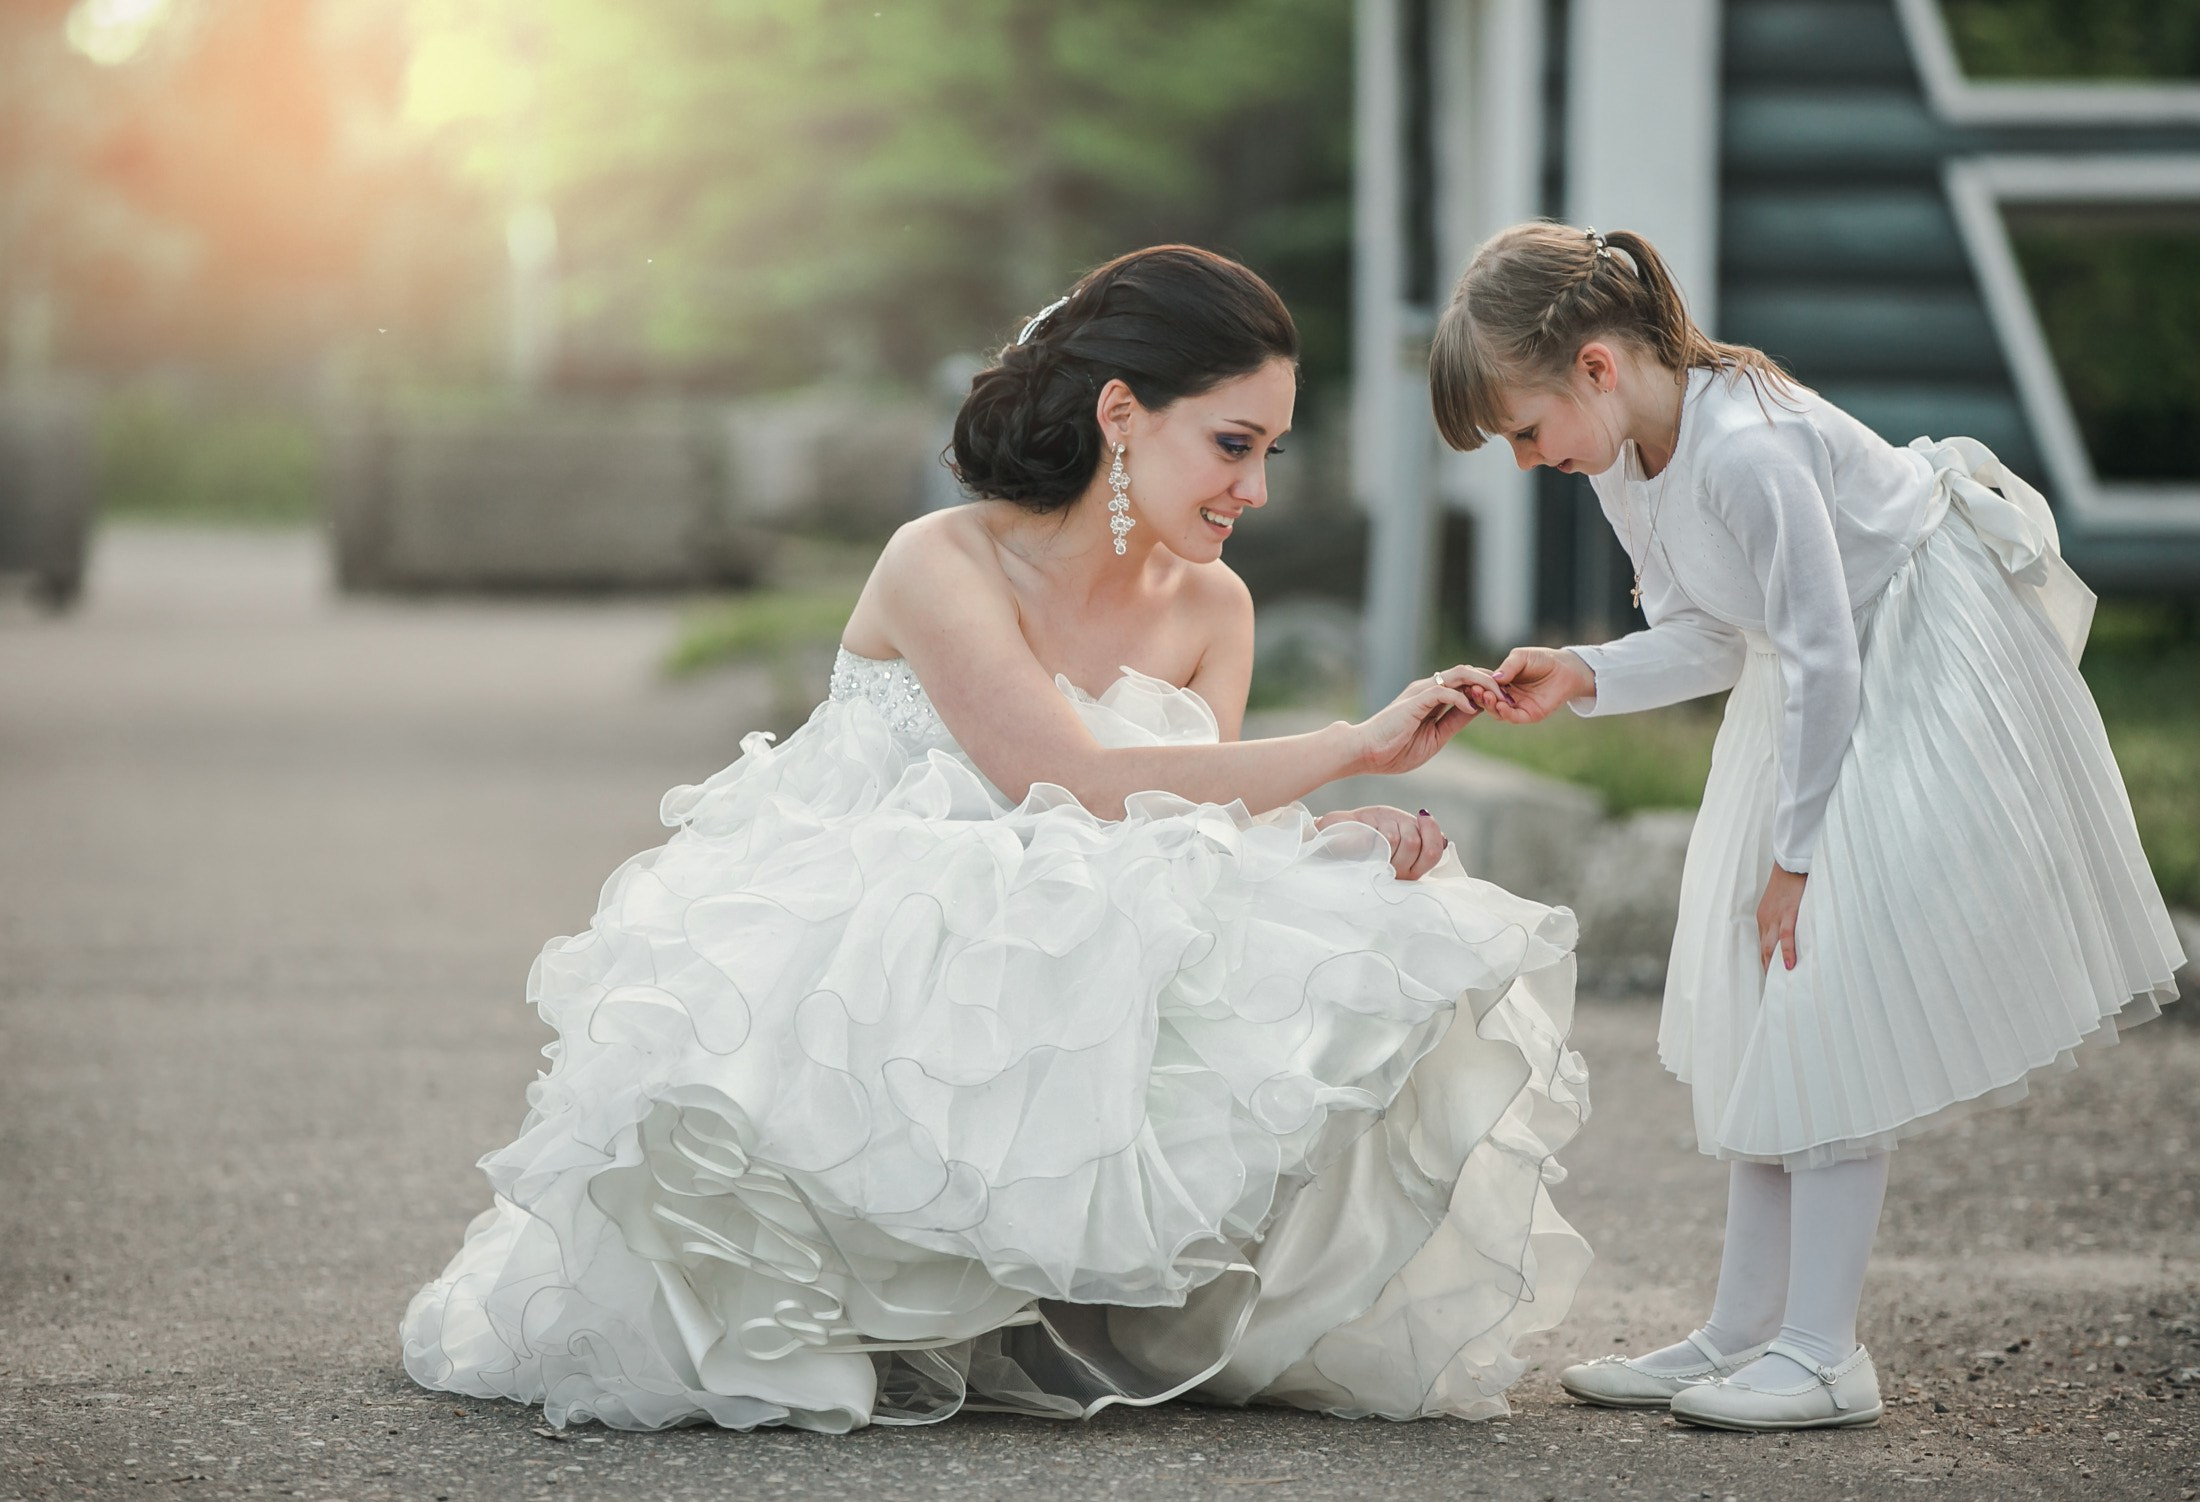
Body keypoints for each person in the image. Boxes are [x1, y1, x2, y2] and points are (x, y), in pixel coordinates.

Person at [399, 245, 1592, 1433]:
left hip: (1064, 936)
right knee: (972, 899)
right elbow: (1061, 780)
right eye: (1233, 444)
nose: (1257, 490)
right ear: (1121, 415)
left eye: (1270, 452)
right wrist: (1349, 742)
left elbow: (1191, 831)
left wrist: (1335, 831)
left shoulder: (1212, 604)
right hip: (864, 935)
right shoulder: (942, 558)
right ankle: (832, 1287)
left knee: (1394, 929)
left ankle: (1091, 1299)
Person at [1431, 221, 2184, 1432]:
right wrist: (1582, 670)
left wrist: (1796, 857)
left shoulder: (1746, 449)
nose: (1523, 459)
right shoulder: (1626, 462)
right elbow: (1712, 637)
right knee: (1756, 983)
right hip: (1805, 684)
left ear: (1597, 368)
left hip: (1907, 661)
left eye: (1523, 429)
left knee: (1824, 976)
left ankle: (1821, 1348)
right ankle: (1742, 1327)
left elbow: (1829, 648)